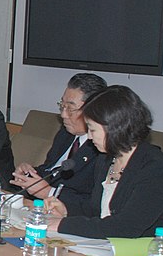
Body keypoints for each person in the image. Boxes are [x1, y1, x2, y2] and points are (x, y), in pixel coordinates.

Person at [47, 85, 163, 238]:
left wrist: (62, 225)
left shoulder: (157, 169)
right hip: (106, 248)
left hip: (144, 255)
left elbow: (125, 227)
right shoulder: (106, 159)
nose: (89, 137)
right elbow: (99, 210)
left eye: (93, 130)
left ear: (115, 128)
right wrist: (66, 209)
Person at [10, 73, 107, 206]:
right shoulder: (66, 133)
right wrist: (29, 174)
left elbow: (93, 203)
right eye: (62, 105)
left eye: (70, 108)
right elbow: (51, 170)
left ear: (93, 110)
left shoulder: (102, 149)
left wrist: (49, 192)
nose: (63, 115)